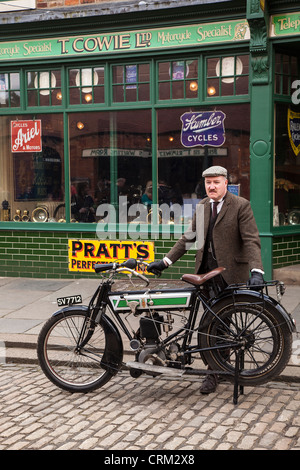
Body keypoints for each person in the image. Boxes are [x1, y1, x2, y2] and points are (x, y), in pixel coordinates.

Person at [148, 165, 264, 394]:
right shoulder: (202, 206)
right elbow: (188, 238)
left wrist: (256, 271)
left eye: (216, 182)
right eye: (208, 182)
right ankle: (214, 369)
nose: (211, 186)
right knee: (209, 326)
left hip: (229, 274)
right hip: (204, 274)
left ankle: (216, 372)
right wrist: (165, 262)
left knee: (222, 326)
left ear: (225, 183)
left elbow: (251, 240)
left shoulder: (240, 205)